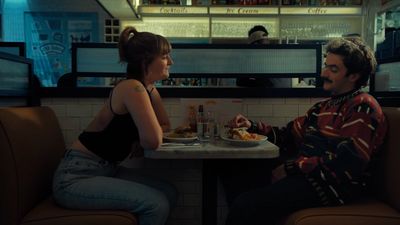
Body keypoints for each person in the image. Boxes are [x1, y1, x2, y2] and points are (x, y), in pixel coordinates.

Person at [224, 37, 388, 225]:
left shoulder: (362, 106)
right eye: (326, 66)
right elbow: (288, 135)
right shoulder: (322, 107)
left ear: (354, 75)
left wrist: (292, 168)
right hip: (309, 177)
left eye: (333, 69)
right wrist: (251, 126)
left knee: (245, 205)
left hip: (334, 187)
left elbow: (348, 163)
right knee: (234, 169)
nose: (323, 73)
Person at [52, 26, 178, 225]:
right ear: (146, 60)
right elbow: (153, 141)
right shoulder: (132, 88)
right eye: (164, 56)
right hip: (76, 178)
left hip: (104, 169)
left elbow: (164, 126)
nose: (170, 62)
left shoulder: (146, 88)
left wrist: (142, 137)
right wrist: (143, 138)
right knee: (157, 204)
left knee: (169, 192)